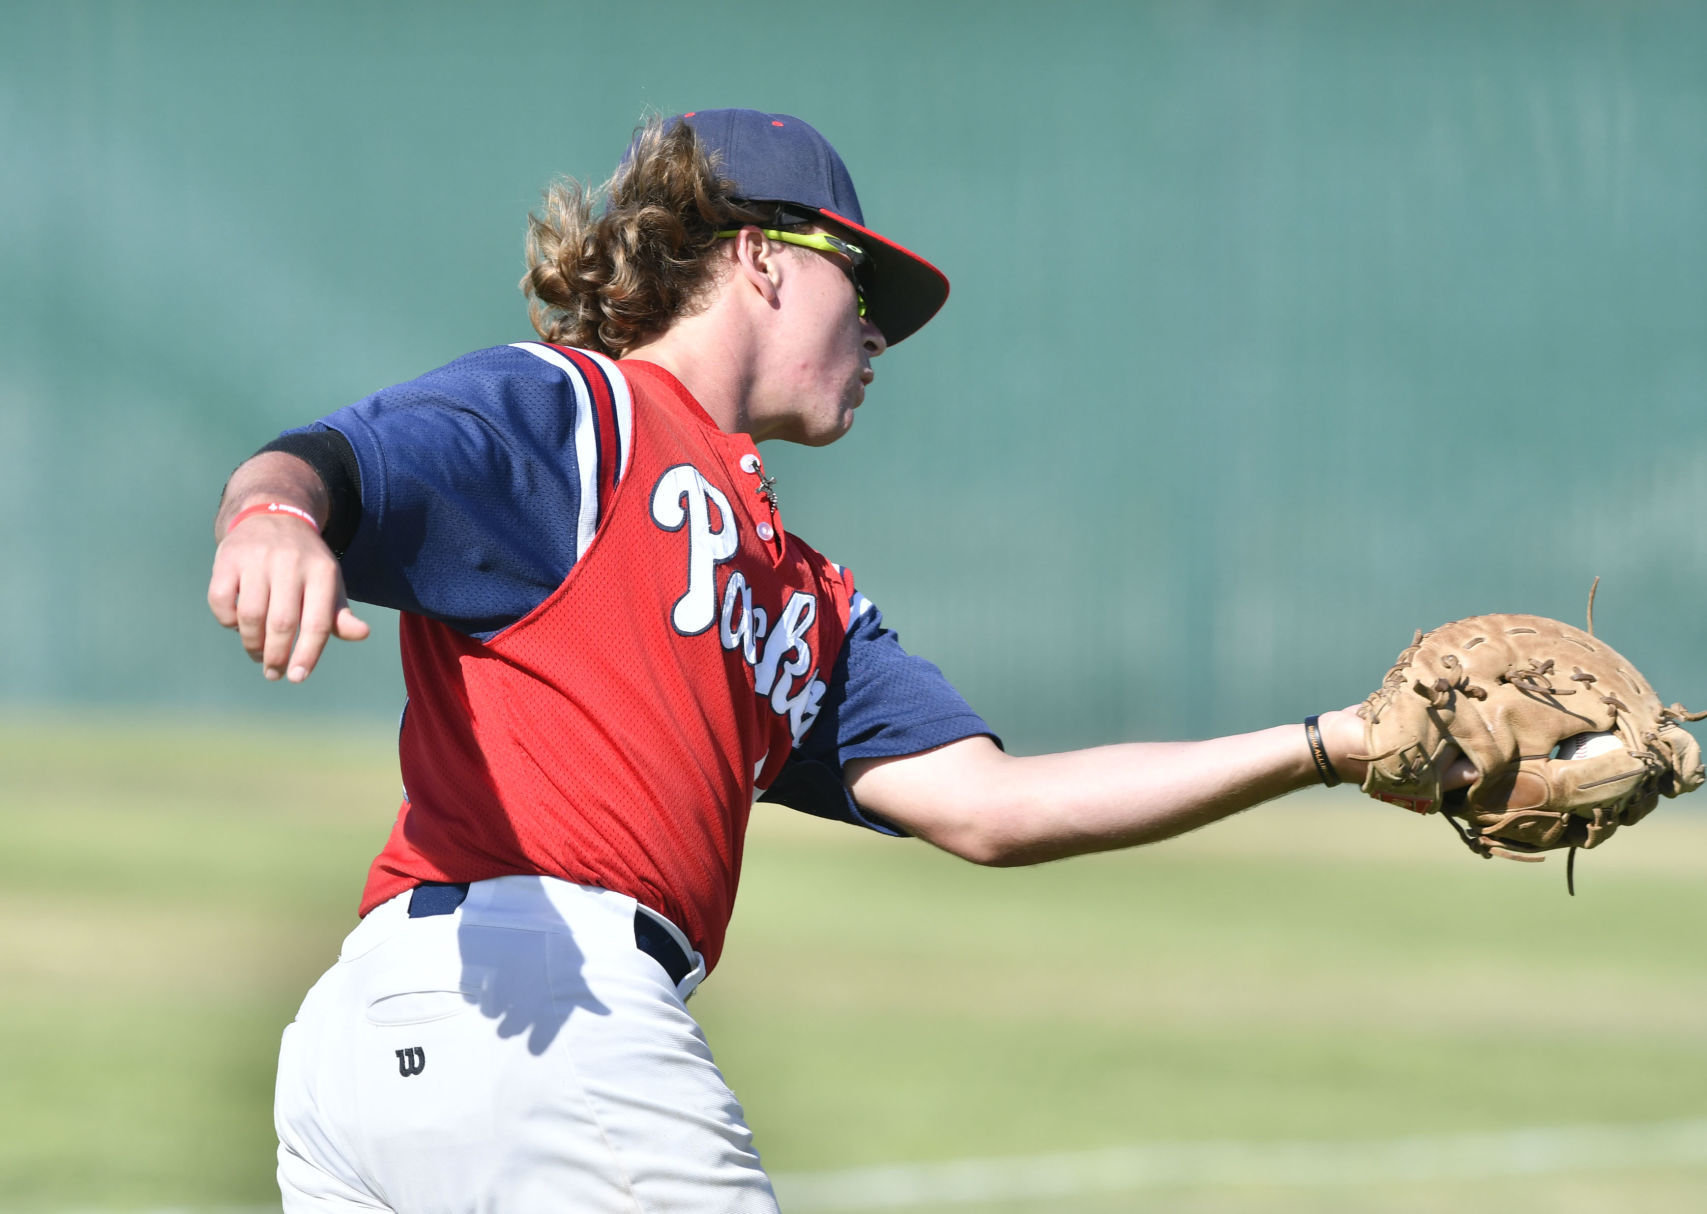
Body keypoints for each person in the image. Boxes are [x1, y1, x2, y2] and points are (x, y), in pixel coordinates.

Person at [207, 109, 1461, 1213]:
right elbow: (335, 458)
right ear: (755, 254)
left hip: (374, 1055)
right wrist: (273, 518)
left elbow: (994, 805)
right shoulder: (580, 415)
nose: (876, 337)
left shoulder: (796, 598)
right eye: (855, 289)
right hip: (548, 1007)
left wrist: (1329, 743)